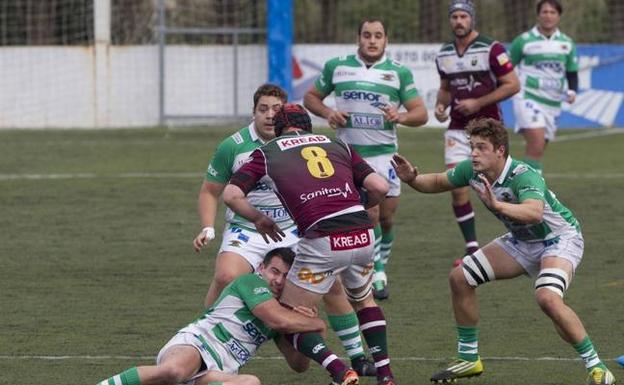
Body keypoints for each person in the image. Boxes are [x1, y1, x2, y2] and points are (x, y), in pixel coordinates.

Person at [391, 118, 616, 385]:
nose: (473, 153)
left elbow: (533, 212)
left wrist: (498, 206)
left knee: (547, 298)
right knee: (460, 278)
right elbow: (439, 181)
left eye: (481, 147)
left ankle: (597, 367)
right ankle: (469, 359)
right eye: (472, 146)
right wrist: (413, 179)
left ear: (500, 150)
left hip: (559, 239)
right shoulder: (472, 171)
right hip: (522, 241)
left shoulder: (524, 175)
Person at [192, 83, 376, 377]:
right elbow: (210, 191)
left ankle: (358, 357)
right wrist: (207, 227)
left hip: (293, 228)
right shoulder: (234, 145)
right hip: (247, 229)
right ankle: (202, 341)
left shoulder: (303, 143)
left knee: (333, 284)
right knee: (227, 275)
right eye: (262, 109)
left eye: (275, 110)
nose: (268, 115)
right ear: (253, 112)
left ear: (285, 116)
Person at [223, 104, 397, 385]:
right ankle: (386, 376)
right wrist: (361, 207)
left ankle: (341, 372)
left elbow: (231, 195)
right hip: (363, 236)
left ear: (277, 131)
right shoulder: (337, 143)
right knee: (365, 301)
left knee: (285, 317)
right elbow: (380, 187)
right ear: (308, 126)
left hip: (322, 240)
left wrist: (258, 218)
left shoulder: (266, 152)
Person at [304, 18, 428, 299]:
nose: (372, 40)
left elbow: (421, 113)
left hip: (386, 157)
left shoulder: (398, 73)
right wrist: (328, 113)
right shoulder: (337, 67)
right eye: (367, 35)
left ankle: (380, 261)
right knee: (369, 214)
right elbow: (311, 97)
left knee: (386, 218)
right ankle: (377, 271)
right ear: (358, 38)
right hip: (350, 157)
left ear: (387, 40)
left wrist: (402, 116)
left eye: (378, 36)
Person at [95, 248, 325, 385]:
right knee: (173, 371)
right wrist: (317, 322)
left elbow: (298, 366)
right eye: (274, 272)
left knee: (251, 382)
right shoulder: (250, 281)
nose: (278, 281)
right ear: (261, 268)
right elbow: (275, 319)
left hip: (220, 371)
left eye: (286, 276)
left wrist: (310, 331)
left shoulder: (285, 312)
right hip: (198, 344)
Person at [434, 0, 520, 266]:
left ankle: (522, 234)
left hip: (489, 128)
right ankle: (472, 245)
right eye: (454, 17)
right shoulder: (444, 53)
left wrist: (478, 103)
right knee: (456, 185)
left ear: (472, 19)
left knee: (501, 186)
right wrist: (440, 105)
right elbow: (446, 87)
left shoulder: (491, 49)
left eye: (463, 16)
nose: (459, 21)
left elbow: (512, 84)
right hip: (458, 130)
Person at [511, 0, 578, 174]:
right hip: (527, 97)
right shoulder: (523, 41)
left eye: (552, 12)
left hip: (552, 102)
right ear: (538, 15)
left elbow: (572, 72)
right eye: (545, 12)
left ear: (558, 16)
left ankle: (514, 183)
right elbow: (506, 68)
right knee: (537, 143)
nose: (548, 16)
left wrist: (572, 91)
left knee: (538, 150)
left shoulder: (567, 44)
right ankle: (532, 192)